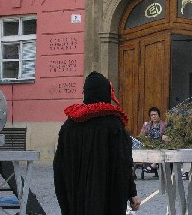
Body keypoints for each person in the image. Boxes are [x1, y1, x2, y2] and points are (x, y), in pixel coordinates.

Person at [53, 71, 141, 214]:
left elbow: (59, 166)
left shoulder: (69, 125)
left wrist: (66, 200)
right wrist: (132, 193)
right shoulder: (113, 125)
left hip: (77, 203)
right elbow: (123, 163)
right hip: (107, 202)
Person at [139, 106, 168, 173]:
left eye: (155, 115)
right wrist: (144, 134)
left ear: (159, 115)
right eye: (152, 115)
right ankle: (132, 172)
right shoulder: (147, 125)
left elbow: (167, 138)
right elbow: (141, 136)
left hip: (160, 145)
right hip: (149, 144)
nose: (154, 116)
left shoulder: (164, 125)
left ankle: (153, 165)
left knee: (161, 149)